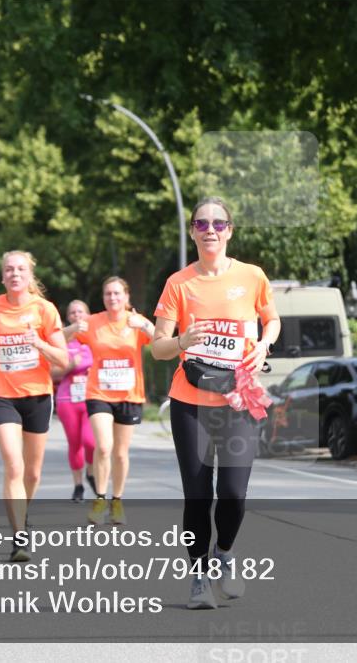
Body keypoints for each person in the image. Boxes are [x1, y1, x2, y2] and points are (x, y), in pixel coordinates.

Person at [152, 196, 280, 609]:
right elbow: (157, 348)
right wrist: (181, 341)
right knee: (197, 494)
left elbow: (272, 319)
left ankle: (223, 554)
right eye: (202, 223)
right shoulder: (179, 283)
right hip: (190, 400)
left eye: (218, 224)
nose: (211, 230)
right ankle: (197, 577)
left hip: (239, 396)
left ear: (230, 230)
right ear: (192, 231)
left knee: (233, 493)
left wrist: (264, 343)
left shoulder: (252, 276)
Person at [0, 250, 68, 562]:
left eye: (20, 269)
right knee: (14, 465)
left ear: (29, 275)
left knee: (33, 473)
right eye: (9, 269)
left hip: (38, 395)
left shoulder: (44, 309)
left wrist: (39, 344)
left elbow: (64, 360)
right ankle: (19, 537)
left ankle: (24, 517)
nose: (14, 274)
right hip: (2, 394)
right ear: (2, 277)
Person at [76, 277, 154, 526]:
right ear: (103, 297)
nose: (113, 298)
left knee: (120, 453)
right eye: (108, 294)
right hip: (99, 393)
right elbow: (65, 338)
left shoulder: (137, 321)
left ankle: (117, 501)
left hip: (129, 394)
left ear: (127, 297)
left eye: (118, 294)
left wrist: (144, 326)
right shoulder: (93, 322)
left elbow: (162, 342)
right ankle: (100, 498)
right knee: (104, 447)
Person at [54, 300, 97, 503]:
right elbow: (52, 373)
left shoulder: (96, 339)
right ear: (68, 317)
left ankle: (91, 471)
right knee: (75, 443)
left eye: (81, 311)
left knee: (91, 441)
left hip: (91, 398)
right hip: (67, 398)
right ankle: (78, 485)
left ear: (88, 314)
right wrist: (70, 365)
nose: (76, 315)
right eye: (72, 312)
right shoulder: (61, 341)